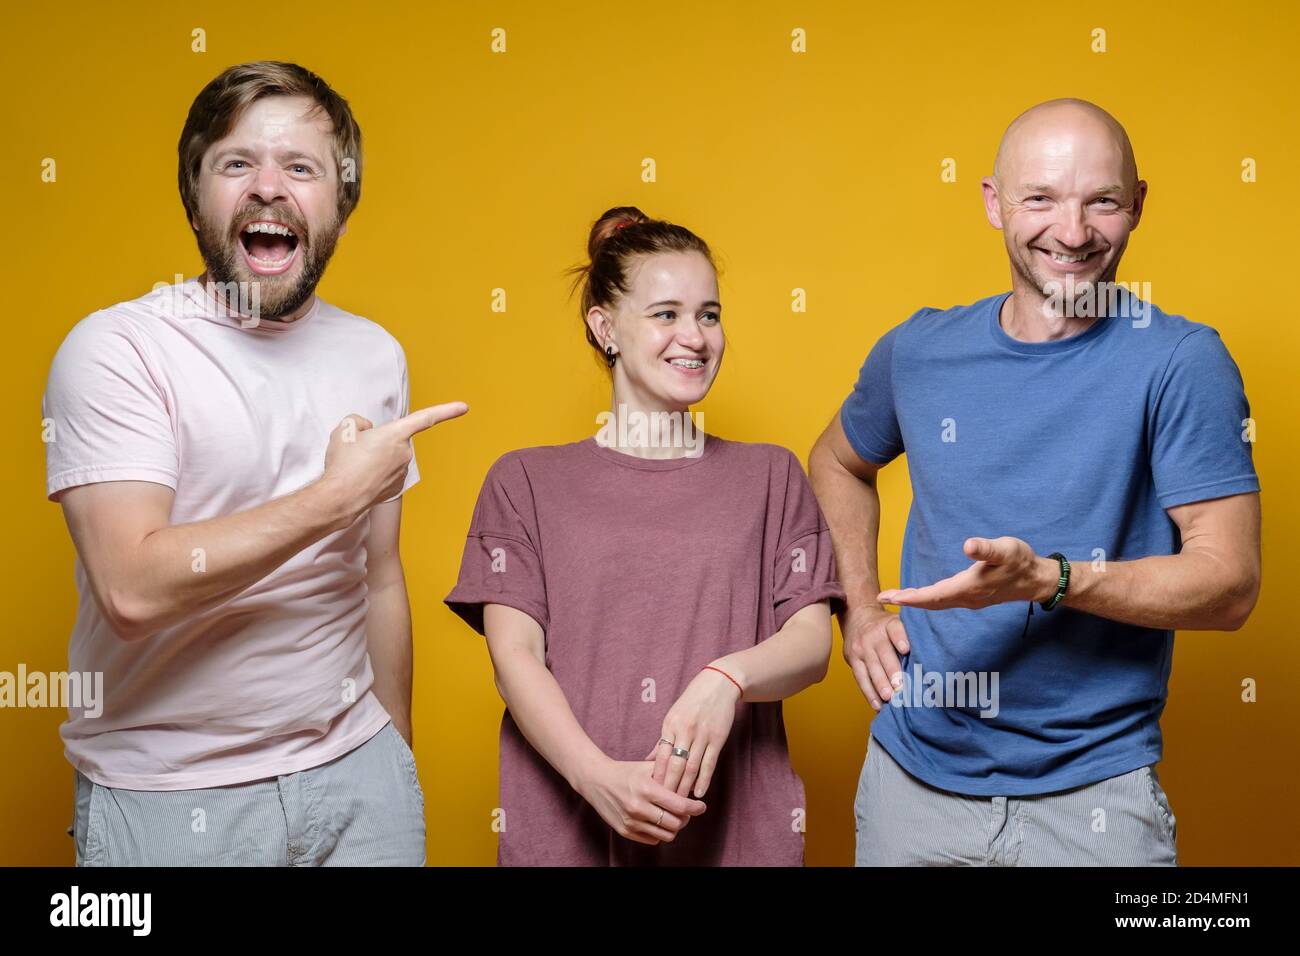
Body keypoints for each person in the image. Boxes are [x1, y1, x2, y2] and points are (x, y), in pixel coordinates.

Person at [809, 99, 1261, 866]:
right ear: (993, 202)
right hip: (909, 788)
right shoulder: (917, 350)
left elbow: (1230, 585)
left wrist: (1051, 580)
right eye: (1041, 198)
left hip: (1096, 802)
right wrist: (856, 609)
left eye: (1103, 201)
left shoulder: (1182, 362)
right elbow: (836, 463)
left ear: (1139, 205)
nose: (1074, 232)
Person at [42, 61, 466, 866]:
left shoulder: (374, 355)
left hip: (358, 780)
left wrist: (396, 763)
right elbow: (130, 590)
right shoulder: (118, 350)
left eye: (301, 167)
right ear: (193, 191)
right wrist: (332, 497)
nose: (269, 188)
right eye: (237, 163)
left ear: (340, 201)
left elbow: (377, 576)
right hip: (170, 798)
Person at [444, 207, 845, 865]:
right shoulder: (524, 482)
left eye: (709, 314)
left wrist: (728, 677)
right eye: (666, 314)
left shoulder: (771, 474)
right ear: (605, 328)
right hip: (568, 834)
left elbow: (811, 644)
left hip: (737, 837)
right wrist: (598, 779)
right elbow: (514, 656)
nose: (695, 336)